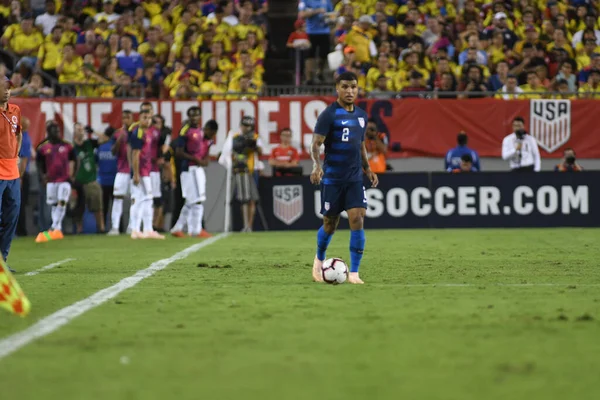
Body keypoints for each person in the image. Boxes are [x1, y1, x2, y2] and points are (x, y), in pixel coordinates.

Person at [309, 71, 379, 285]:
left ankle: (355, 273)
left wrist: (368, 169)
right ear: (337, 89)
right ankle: (319, 260)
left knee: (358, 218)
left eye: (354, 87)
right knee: (330, 224)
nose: (350, 91)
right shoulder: (328, 115)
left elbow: (360, 145)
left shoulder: (361, 115)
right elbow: (316, 143)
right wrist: (316, 166)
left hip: (354, 177)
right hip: (332, 178)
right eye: (345, 87)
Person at [172, 109, 217, 238]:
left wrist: (205, 158)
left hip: (196, 169)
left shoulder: (201, 132)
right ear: (189, 116)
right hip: (190, 169)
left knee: (192, 201)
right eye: (192, 115)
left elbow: (203, 149)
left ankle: (181, 228)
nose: (195, 117)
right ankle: (196, 229)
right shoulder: (185, 131)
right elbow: (179, 152)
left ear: (200, 116)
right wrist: (196, 160)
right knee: (197, 200)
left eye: (197, 115)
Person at [35, 121, 77, 241]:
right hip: (51, 181)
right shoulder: (43, 147)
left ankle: (54, 227)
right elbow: (39, 163)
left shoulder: (67, 146)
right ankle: (57, 229)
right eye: (55, 131)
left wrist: (72, 175)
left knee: (62, 201)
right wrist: (42, 176)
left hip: (64, 180)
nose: (58, 133)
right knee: (54, 204)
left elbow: (75, 159)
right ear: (48, 132)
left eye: (58, 131)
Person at [128, 109, 164, 240]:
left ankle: (146, 229)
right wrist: (136, 173)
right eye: (144, 118)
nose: (147, 121)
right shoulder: (138, 132)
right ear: (139, 118)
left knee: (146, 199)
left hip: (146, 170)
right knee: (141, 199)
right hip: (141, 172)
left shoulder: (148, 132)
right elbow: (135, 154)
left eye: (149, 118)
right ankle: (137, 229)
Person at [0, 76, 22, 273]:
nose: (7, 91)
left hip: (12, 173)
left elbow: (18, 133)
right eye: (3, 87)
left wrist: (17, 155)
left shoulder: (15, 110)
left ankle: (2, 259)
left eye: (9, 88)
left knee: (11, 216)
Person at [73, 123, 108, 233]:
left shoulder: (89, 144)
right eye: (78, 129)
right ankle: (79, 230)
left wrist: (93, 132)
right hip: (77, 181)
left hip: (91, 181)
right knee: (78, 209)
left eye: (82, 129)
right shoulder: (71, 147)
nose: (81, 131)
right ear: (74, 132)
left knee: (98, 207)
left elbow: (106, 139)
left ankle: (101, 228)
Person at [108, 110, 134, 235]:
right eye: (123, 118)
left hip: (135, 171)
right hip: (122, 171)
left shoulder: (136, 132)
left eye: (128, 117)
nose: (125, 120)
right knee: (118, 198)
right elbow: (112, 152)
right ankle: (115, 227)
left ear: (132, 118)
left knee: (135, 199)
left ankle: (132, 227)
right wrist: (119, 140)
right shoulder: (118, 134)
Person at [97, 127, 118, 231]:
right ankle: (119, 228)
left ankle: (102, 228)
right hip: (115, 181)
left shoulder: (100, 148)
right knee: (117, 206)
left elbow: (97, 162)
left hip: (103, 181)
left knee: (104, 207)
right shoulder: (116, 148)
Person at [17, 116, 32, 237]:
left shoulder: (24, 139)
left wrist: (20, 177)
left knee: (19, 203)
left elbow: (24, 160)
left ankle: (21, 230)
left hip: (21, 174)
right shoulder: (24, 137)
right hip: (20, 174)